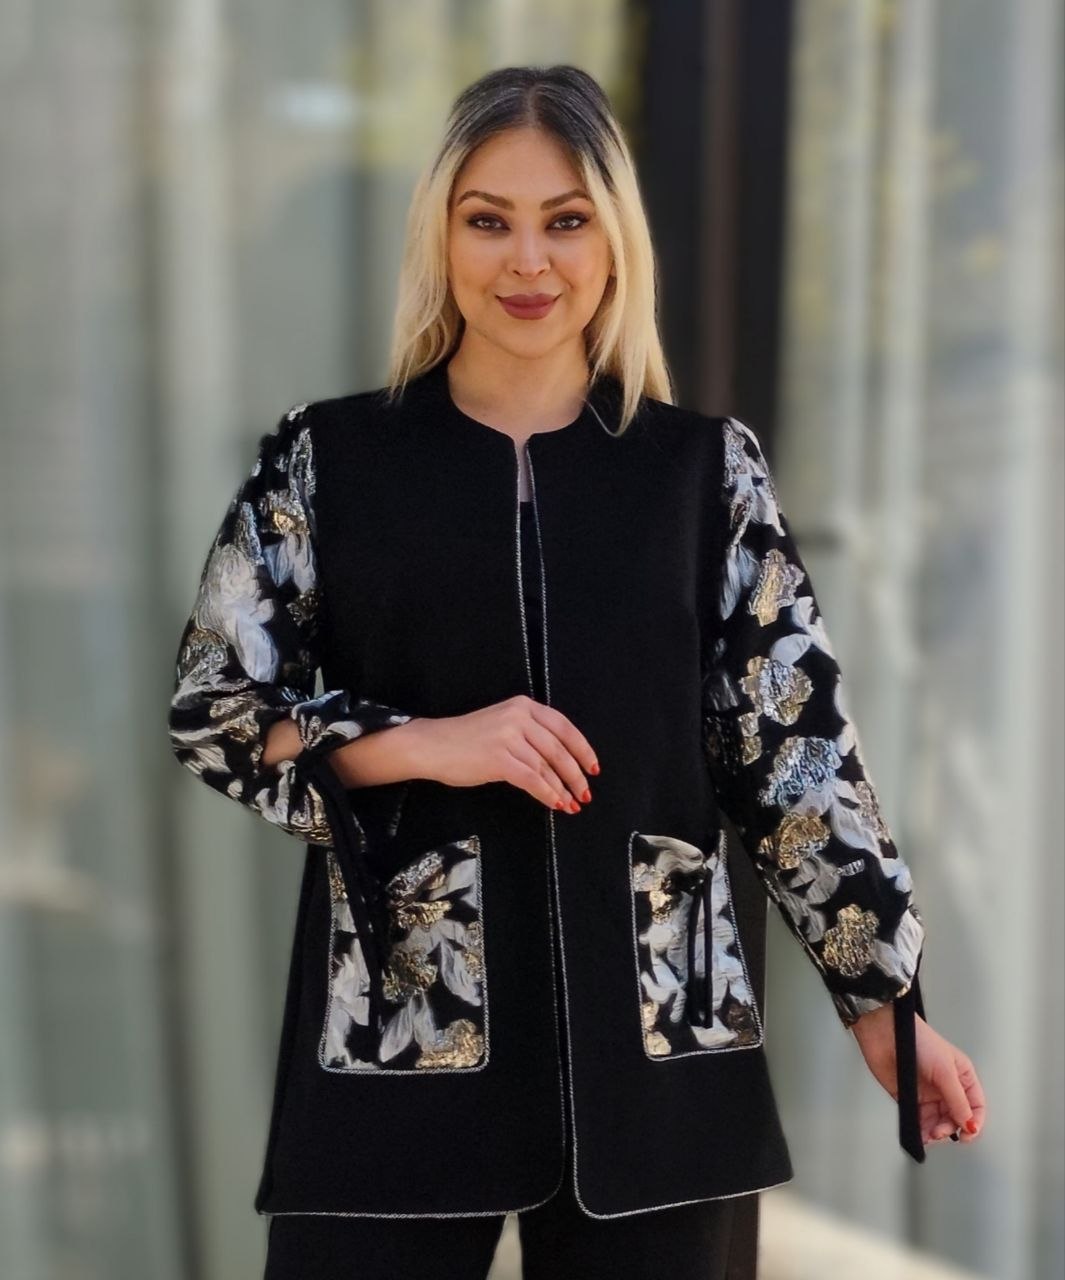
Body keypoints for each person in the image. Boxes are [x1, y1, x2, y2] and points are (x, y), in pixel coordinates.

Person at [167, 65, 986, 1280]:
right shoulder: (327, 461)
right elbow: (217, 711)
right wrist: (425, 739)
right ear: (441, 235)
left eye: (565, 220)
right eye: (487, 219)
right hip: (399, 1044)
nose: (527, 261)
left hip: (663, 1048)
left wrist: (885, 999)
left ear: (614, 241)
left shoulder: (704, 474)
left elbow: (795, 755)